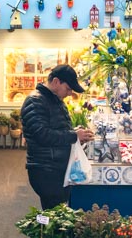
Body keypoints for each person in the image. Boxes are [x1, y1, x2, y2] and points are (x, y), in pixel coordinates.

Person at [21, 64, 95, 209]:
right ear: (56, 82)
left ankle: (46, 224)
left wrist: (74, 132)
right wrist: (73, 136)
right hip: (46, 170)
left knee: (56, 211)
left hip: (54, 168)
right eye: (68, 88)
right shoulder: (35, 101)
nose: (69, 93)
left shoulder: (52, 100)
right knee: (53, 211)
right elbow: (42, 135)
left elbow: (55, 129)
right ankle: (44, 224)